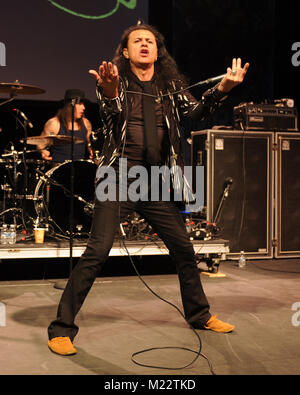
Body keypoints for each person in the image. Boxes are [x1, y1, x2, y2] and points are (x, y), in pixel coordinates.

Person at [47, 24, 249, 356]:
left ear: (157, 52)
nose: (144, 44)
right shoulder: (116, 82)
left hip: (156, 180)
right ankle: (61, 329)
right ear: (125, 52)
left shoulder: (170, 86)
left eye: (150, 41)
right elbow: (111, 108)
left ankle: (199, 315)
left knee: (184, 250)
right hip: (119, 178)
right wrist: (110, 89)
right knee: (97, 253)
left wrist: (223, 89)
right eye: (137, 41)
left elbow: (195, 113)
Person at [37, 89, 93, 165]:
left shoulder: (86, 123)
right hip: (58, 169)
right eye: (80, 104)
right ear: (69, 106)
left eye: (83, 104)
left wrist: (92, 151)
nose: (83, 108)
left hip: (80, 168)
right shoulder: (54, 123)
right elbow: (40, 144)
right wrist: (43, 152)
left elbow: (90, 143)